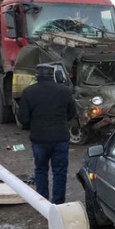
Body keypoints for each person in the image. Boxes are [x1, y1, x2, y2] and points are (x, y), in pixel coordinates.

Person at [18, 64, 76, 204]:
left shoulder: (28, 92)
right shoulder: (64, 91)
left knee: (41, 170)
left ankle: (42, 203)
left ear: (37, 76)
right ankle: (58, 203)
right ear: (52, 75)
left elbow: (23, 119)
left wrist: (34, 124)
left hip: (39, 139)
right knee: (60, 172)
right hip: (60, 138)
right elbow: (72, 113)